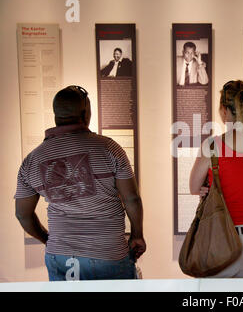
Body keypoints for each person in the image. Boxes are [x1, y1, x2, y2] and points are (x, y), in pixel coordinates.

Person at [14, 85, 146, 281]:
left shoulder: (32, 161)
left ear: (56, 115)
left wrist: (49, 240)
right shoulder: (109, 148)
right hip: (108, 253)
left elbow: (22, 214)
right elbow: (132, 198)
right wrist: (137, 234)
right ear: (86, 112)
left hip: (60, 258)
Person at [189, 80, 243, 278]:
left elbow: (193, 186)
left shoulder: (212, 145)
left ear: (224, 110)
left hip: (221, 240)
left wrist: (204, 186)